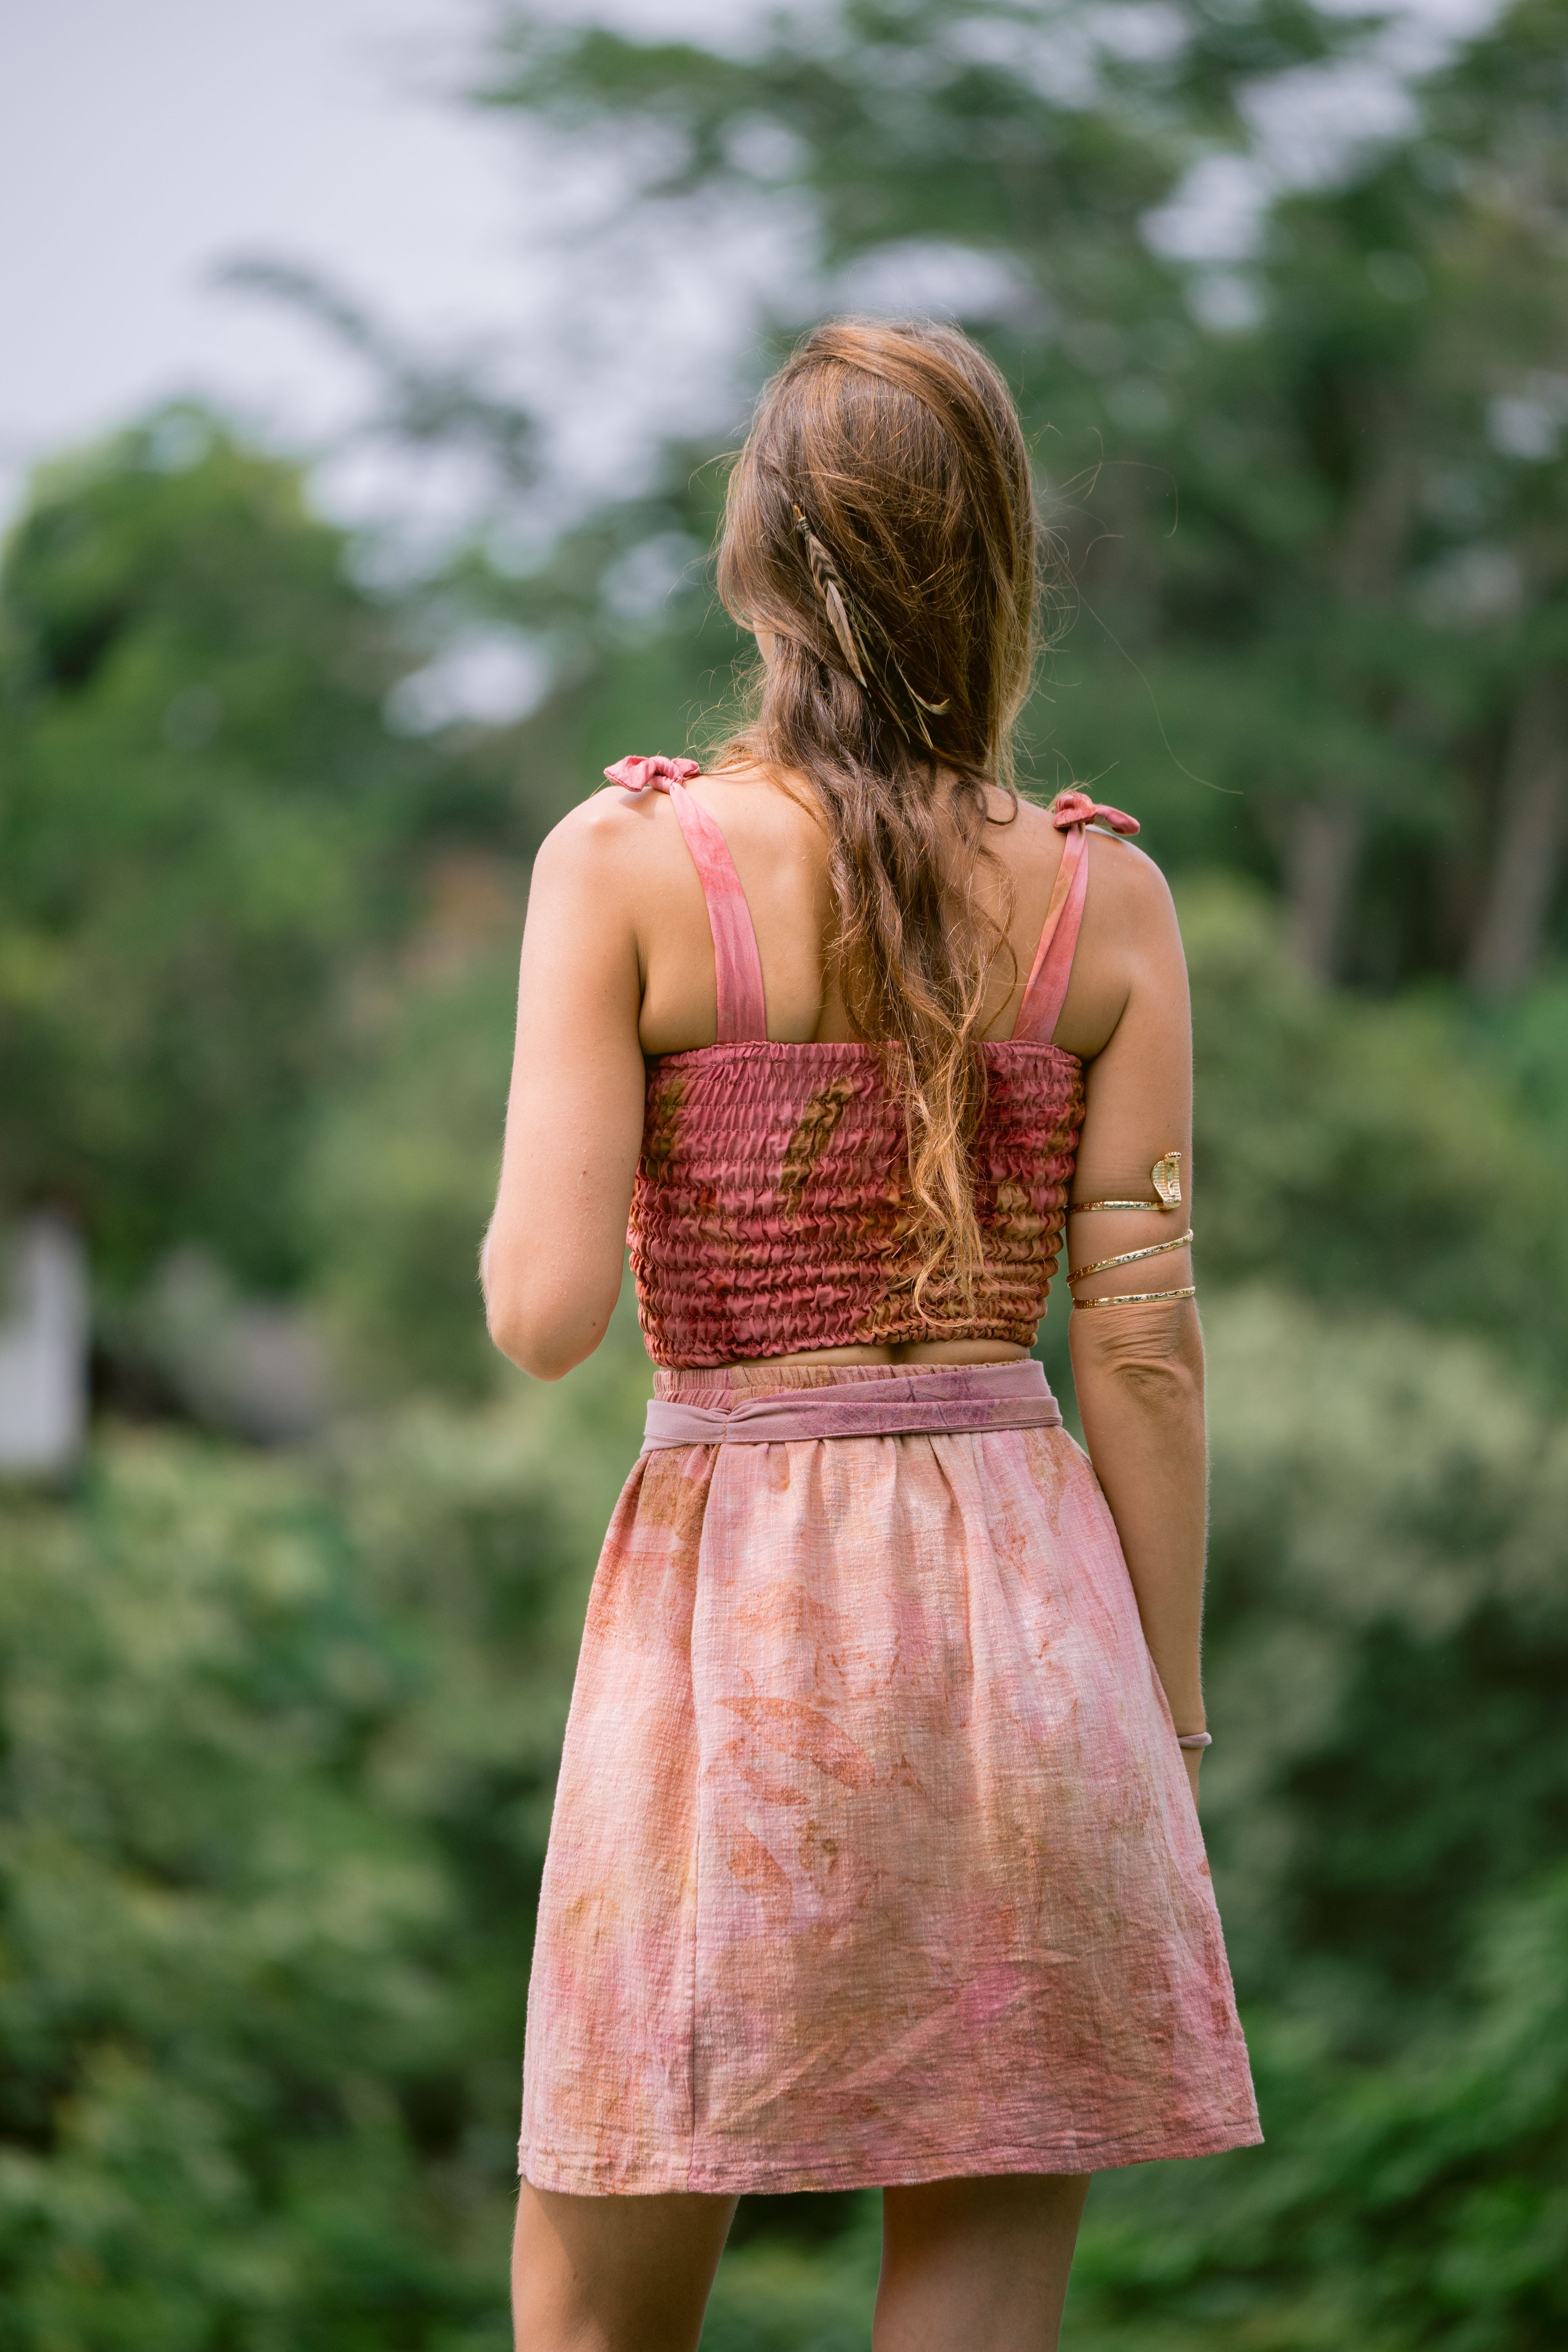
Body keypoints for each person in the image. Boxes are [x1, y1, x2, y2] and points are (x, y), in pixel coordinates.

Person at [482, 318, 1259, 2352]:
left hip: (733, 1634)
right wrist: (1165, 1726)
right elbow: (1150, 1351)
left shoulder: (628, 865)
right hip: (1037, 1635)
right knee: (980, 2293)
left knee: (598, 2289)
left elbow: (543, 1318)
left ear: (754, 559)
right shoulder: (1110, 902)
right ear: (997, 573)